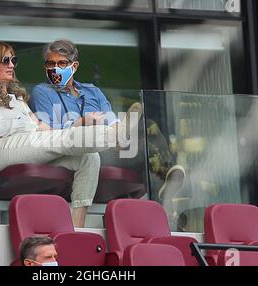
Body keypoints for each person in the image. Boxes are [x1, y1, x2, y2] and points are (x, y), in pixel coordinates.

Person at [0, 40, 135, 228]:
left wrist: (36, 126)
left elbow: (38, 125)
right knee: (61, 138)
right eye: (6, 60)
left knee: (89, 157)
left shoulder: (16, 97)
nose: (12, 65)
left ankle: (76, 226)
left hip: (26, 143)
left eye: (14, 60)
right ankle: (114, 136)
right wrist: (31, 124)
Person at [29, 39, 185, 203]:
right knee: (140, 145)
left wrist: (116, 128)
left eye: (61, 64)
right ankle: (161, 185)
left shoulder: (92, 90)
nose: (55, 69)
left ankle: (163, 173)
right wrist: (83, 122)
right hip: (81, 152)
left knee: (147, 126)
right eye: (50, 64)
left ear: (74, 67)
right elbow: (52, 134)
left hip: (109, 147)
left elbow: (110, 117)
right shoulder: (42, 92)